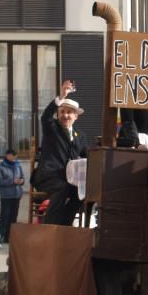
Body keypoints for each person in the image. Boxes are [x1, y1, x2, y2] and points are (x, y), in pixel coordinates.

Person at [34, 80, 89, 226]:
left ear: (76, 116)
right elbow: (45, 117)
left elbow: (86, 154)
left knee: (82, 193)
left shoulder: (80, 135)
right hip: (48, 176)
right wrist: (61, 96)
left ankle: (65, 226)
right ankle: (50, 226)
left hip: (70, 178)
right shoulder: (51, 128)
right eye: (62, 112)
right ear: (57, 114)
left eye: (69, 112)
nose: (65, 115)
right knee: (62, 188)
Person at [0, 148, 26, 244]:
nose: (15, 158)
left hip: (17, 194)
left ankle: (9, 237)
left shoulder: (17, 165)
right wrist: (12, 181)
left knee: (13, 217)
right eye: (13, 156)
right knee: (5, 216)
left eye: (16, 156)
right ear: (7, 155)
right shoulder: (0, 167)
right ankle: (0, 235)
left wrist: (21, 181)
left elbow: (22, 177)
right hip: (6, 195)